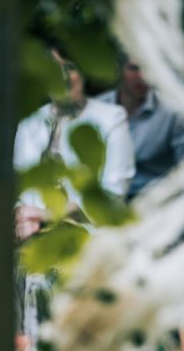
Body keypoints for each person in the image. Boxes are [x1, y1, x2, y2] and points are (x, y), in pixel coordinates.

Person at [14, 51, 136, 239]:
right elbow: (18, 189)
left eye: (69, 68)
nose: (62, 76)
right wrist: (22, 217)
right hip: (34, 242)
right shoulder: (29, 124)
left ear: (82, 73)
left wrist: (51, 215)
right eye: (53, 69)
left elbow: (113, 196)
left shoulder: (112, 118)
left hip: (90, 240)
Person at [98, 57, 184, 198]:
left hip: (154, 201)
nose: (142, 76)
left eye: (149, 69)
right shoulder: (99, 107)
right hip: (105, 200)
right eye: (134, 69)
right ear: (120, 70)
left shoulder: (172, 111)